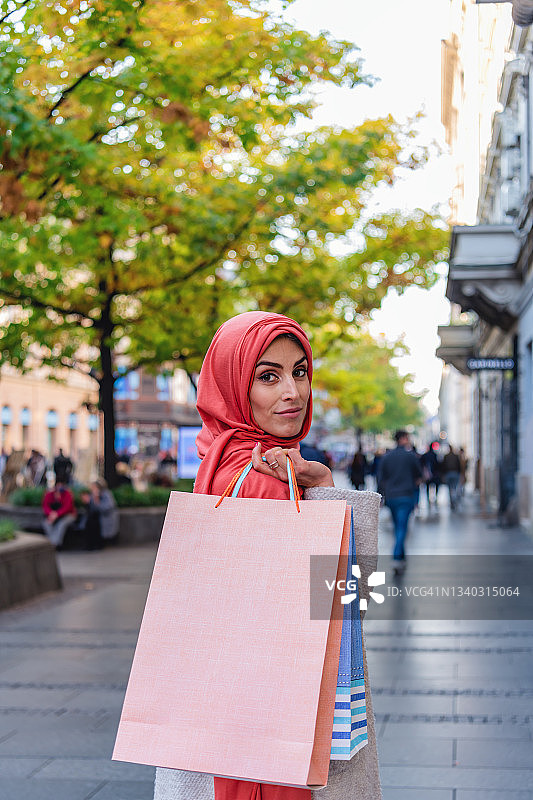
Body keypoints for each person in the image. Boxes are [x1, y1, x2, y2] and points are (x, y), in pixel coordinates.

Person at [154, 311, 382, 800]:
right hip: (269, 738)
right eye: (268, 376)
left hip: (213, 725)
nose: (293, 392)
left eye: (300, 371)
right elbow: (343, 596)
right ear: (236, 386)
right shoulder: (264, 476)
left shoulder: (217, 457)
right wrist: (323, 488)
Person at [377, 429, 422, 572]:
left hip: (391, 497)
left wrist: (382, 496)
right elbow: (419, 475)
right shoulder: (410, 456)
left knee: (398, 526)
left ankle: (401, 557)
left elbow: (380, 478)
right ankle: (397, 557)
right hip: (406, 496)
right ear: (402, 438)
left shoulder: (387, 457)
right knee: (402, 527)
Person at [41, 481, 77, 548]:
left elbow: (68, 507)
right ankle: (53, 542)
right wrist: (51, 514)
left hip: (67, 515)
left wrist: (56, 514)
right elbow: (45, 506)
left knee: (61, 524)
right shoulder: (49, 494)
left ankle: (55, 543)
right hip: (53, 516)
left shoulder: (67, 494)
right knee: (46, 524)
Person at [420, 443, 441, 509]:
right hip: (434, 474)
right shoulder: (435, 455)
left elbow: (421, 464)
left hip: (428, 474)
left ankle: (428, 498)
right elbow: (438, 464)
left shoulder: (425, 455)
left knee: (427, 486)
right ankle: (435, 497)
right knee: (436, 486)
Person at [442, 445, 461, 511]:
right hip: (455, 473)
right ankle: (454, 501)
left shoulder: (446, 456)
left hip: (449, 473)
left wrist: (443, 475)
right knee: (454, 488)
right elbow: (459, 465)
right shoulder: (456, 456)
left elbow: (443, 466)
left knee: (450, 489)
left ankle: (452, 502)